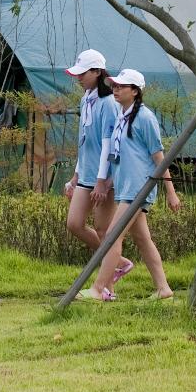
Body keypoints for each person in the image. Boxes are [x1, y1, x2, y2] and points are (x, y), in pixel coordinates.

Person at [79, 69, 181, 301]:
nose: (115, 89)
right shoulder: (121, 117)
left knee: (113, 237)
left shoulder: (145, 118)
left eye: (121, 86)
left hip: (138, 189)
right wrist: (108, 182)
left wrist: (171, 193)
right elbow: (123, 157)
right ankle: (163, 288)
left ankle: (98, 288)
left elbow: (159, 158)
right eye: (114, 85)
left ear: (135, 91)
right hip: (125, 187)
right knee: (143, 239)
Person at [60, 50, 132, 287]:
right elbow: (84, 143)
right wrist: (75, 177)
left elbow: (107, 145)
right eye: (77, 73)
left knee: (104, 230)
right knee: (74, 223)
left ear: (97, 72)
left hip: (106, 177)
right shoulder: (86, 99)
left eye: (83, 73)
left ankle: (106, 288)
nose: (78, 78)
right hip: (87, 175)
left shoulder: (108, 103)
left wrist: (102, 182)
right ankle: (118, 261)